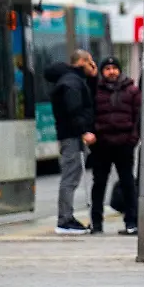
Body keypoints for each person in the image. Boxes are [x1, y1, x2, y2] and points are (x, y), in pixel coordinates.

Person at [44, 49, 98, 235]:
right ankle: (65, 219)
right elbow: (74, 109)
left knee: (71, 177)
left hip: (72, 135)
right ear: (82, 61)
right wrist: (83, 131)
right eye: (90, 61)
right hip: (72, 136)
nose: (93, 65)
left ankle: (66, 217)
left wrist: (93, 78)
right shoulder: (72, 82)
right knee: (70, 177)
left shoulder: (73, 79)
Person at [90, 57, 141, 235]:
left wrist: (133, 139)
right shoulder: (95, 90)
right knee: (99, 184)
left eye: (114, 68)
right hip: (102, 145)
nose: (111, 71)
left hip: (124, 144)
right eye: (107, 68)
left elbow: (138, 116)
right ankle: (96, 223)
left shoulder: (132, 90)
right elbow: (90, 114)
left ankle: (131, 222)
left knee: (127, 183)